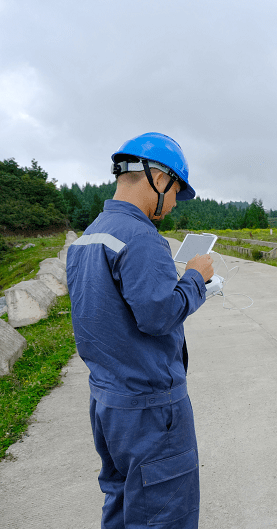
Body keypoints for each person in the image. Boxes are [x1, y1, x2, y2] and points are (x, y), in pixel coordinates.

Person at [67, 132, 213, 528]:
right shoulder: (142, 237)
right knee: (163, 515)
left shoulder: (89, 235)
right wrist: (196, 279)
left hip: (108, 403)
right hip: (151, 410)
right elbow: (159, 315)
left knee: (121, 503)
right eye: (175, 190)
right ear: (159, 177)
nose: (170, 205)